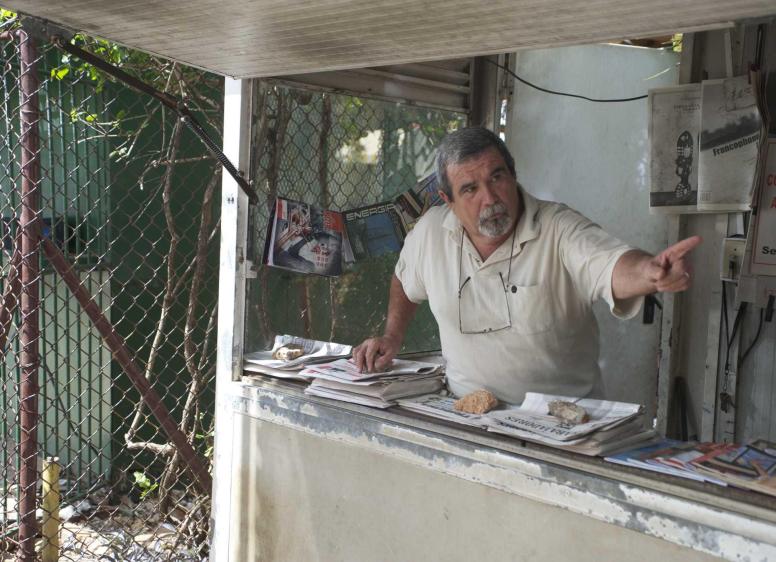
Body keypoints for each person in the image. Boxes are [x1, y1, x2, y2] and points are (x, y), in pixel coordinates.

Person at [353, 127, 700, 404]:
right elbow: (404, 281)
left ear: (513, 174)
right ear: (448, 199)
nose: (490, 198)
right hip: (468, 413)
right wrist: (392, 336)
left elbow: (609, 264)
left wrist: (649, 272)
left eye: (497, 177)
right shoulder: (431, 232)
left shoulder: (558, 228)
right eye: (470, 189)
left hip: (559, 421)